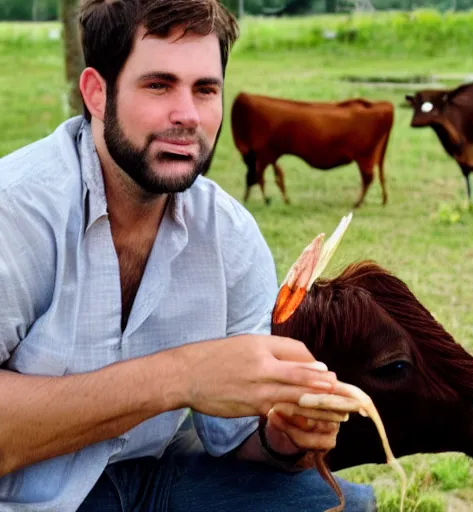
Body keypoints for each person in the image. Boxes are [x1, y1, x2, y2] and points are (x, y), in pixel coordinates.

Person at [0, 0, 376, 510]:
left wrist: (282, 437)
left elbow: (235, 437)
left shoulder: (230, 234)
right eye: (158, 85)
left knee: (342, 504)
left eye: (205, 89)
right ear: (96, 92)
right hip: (24, 493)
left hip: (157, 477)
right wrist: (181, 377)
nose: (187, 115)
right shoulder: (16, 211)